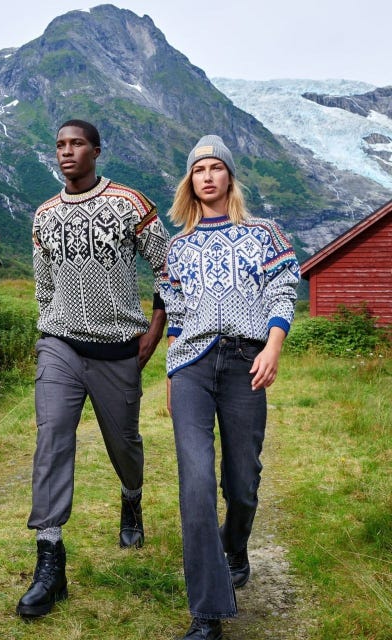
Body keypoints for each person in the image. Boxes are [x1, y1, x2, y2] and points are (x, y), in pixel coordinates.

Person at [16, 119, 169, 619]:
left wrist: (154, 331)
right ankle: (50, 559)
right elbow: (43, 285)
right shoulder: (44, 215)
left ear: (96, 151)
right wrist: (48, 329)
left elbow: (167, 268)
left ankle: (131, 497)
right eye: (60, 144)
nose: (66, 151)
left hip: (118, 349)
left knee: (124, 444)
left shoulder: (131, 204)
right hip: (59, 344)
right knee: (52, 436)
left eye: (77, 143)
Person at [160, 135, 300, 640]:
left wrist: (273, 346)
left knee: (243, 481)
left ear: (229, 176)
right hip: (192, 367)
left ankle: (235, 546)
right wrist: (171, 376)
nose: (208, 176)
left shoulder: (264, 233)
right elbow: (176, 317)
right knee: (196, 482)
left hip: (246, 362)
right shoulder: (177, 248)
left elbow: (284, 288)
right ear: (190, 182)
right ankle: (208, 613)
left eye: (216, 168)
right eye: (199, 170)